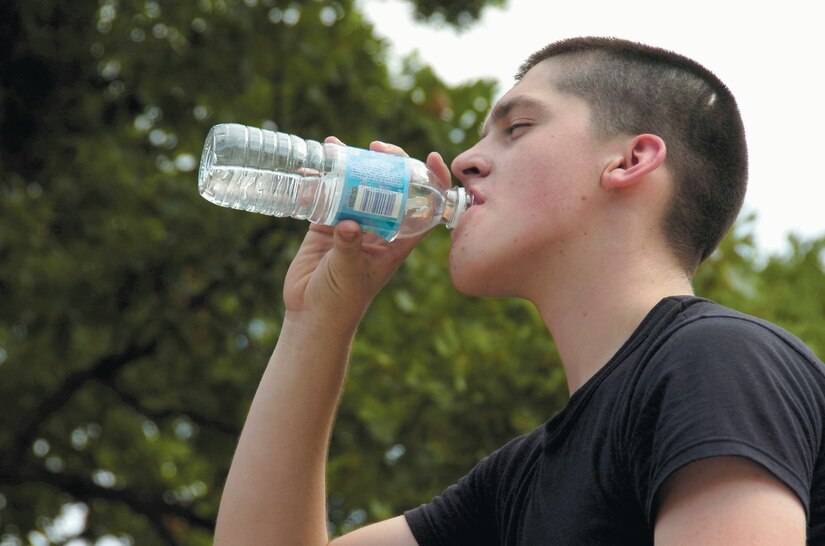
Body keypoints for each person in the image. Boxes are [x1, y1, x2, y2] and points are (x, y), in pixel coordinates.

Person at [213, 37, 825, 545]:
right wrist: (318, 319)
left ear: (630, 160)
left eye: (517, 127)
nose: (463, 161)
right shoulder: (517, 484)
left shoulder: (720, 363)